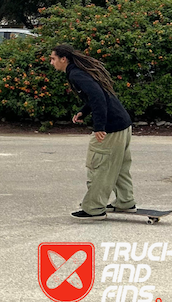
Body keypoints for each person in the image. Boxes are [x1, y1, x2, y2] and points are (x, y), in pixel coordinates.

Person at [49, 44, 134, 220]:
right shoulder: (78, 71)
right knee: (119, 167)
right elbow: (97, 95)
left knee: (99, 166)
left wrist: (99, 127)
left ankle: (94, 209)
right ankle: (125, 202)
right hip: (123, 123)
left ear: (63, 59)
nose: (51, 62)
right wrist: (83, 111)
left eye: (53, 59)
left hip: (112, 127)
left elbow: (97, 96)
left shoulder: (76, 74)